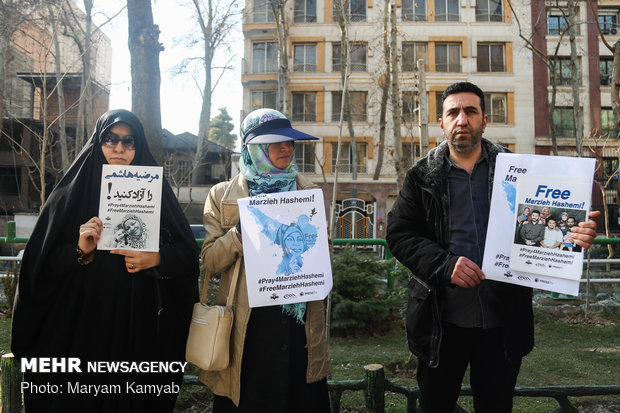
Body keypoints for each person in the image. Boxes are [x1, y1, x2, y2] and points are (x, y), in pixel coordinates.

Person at [386, 82, 599, 413]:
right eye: (453, 112)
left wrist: (576, 234)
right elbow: (399, 234)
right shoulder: (421, 177)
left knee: (496, 406)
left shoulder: (519, 170)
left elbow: (545, 226)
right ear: (441, 123)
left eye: (470, 111)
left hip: (502, 322)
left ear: (484, 121)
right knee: (436, 406)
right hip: (441, 323)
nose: (462, 119)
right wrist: (444, 264)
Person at [11, 109, 200, 413]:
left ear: (139, 147)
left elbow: (188, 256)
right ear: (98, 142)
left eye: (129, 141)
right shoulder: (70, 193)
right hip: (82, 327)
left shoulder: (157, 191)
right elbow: (40, 266)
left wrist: (158, 259)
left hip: (139, 328)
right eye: (110, 139)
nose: (119, 149)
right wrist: (79, 251)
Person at [198, 108, 331, 412]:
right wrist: (238, 235)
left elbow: (325, 263)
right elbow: (210, 261)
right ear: (254, 148)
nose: (287, 148)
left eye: (290, 142)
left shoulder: (308, 192)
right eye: (276, 142)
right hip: (248, 331)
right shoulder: (222, 196)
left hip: (299, 328)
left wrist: (308, 248)